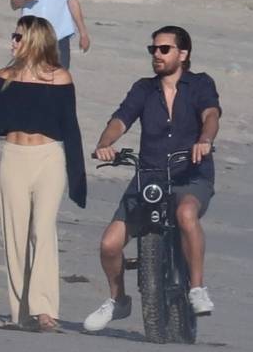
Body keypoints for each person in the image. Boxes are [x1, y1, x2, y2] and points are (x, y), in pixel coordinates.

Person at [83, 26, 221, 332]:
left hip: (192, 175)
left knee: (186, 214)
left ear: (182, 54)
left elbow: (211, 116)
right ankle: (118, 300)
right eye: (153, 50)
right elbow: (121, 119)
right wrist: (104, 144)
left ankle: (197, 288)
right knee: (109, 244)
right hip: (150, 176)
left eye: (164, 49)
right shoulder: (144, 89)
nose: (156, 55)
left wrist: (205, 140)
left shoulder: (200, 84)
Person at [0, 16, 87, 331]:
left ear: (33, 40)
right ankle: (21, 312)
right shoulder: (4, 77)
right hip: (13, 159)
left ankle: (45, 310)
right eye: (13, 36)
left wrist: (78, 179)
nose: (12, 42)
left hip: (48, 159)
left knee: (42, 231)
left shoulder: (60, 79)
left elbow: (71, 130)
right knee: (15, 236)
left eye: (17, 37)